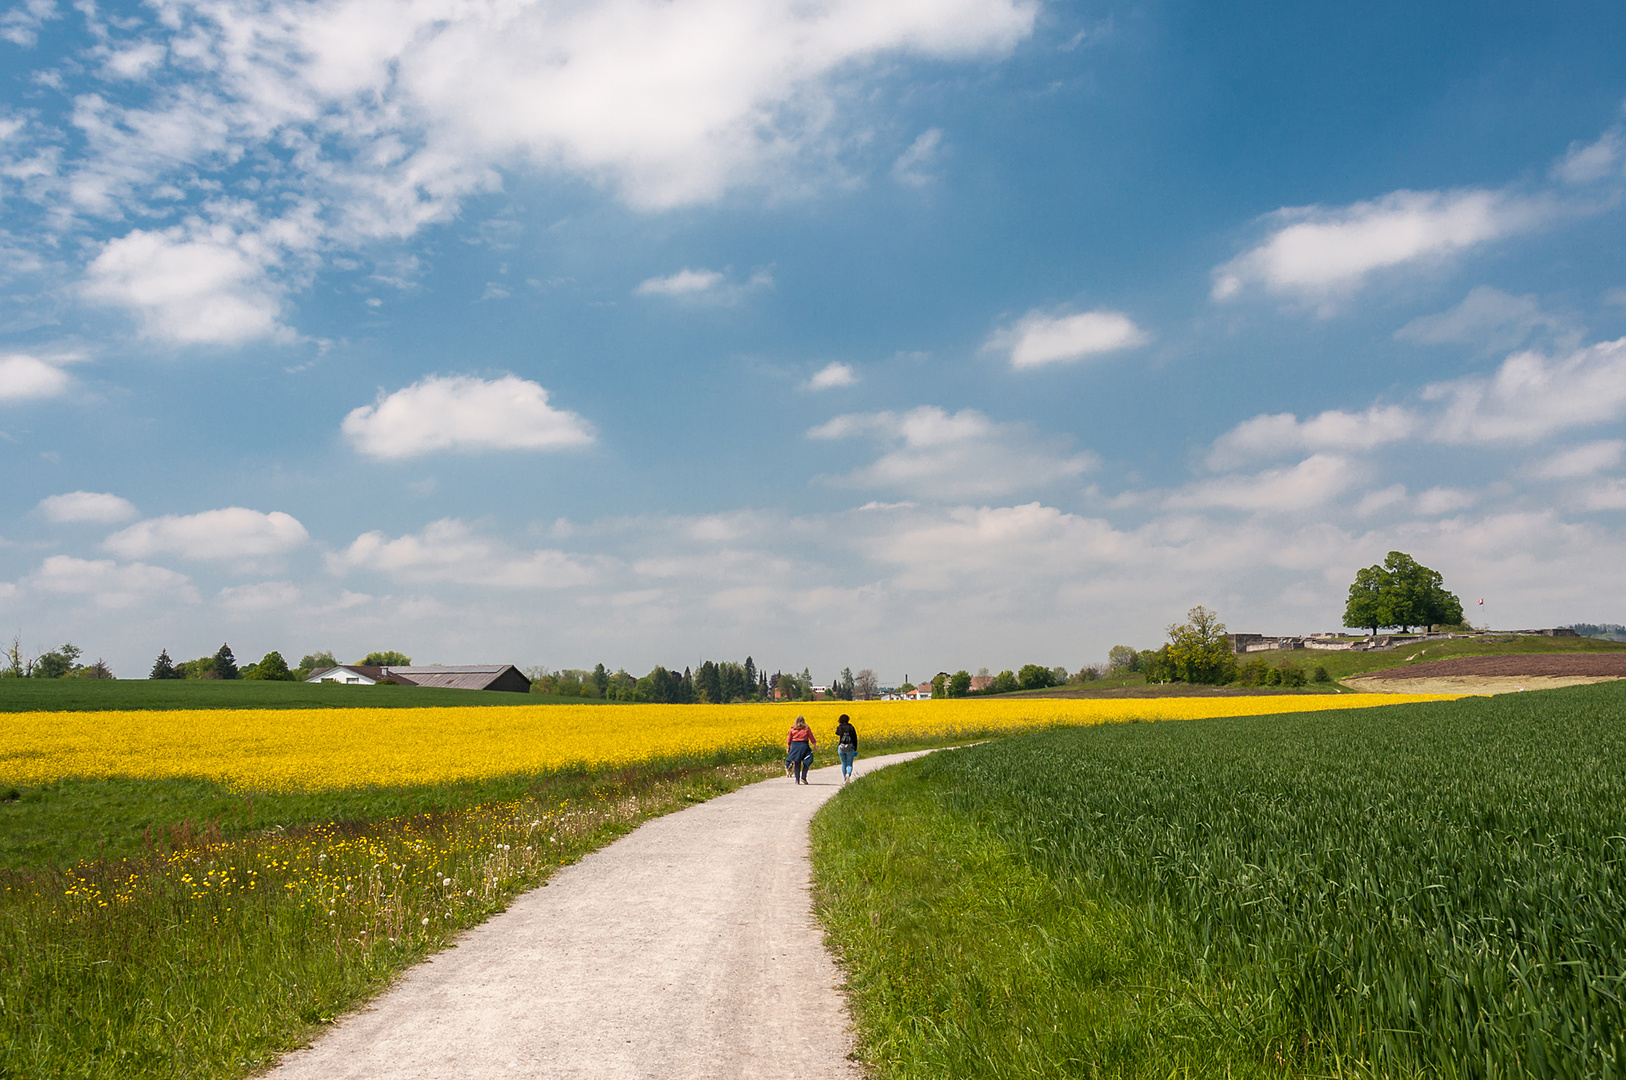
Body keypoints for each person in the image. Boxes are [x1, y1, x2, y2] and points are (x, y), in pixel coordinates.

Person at [786, 716, 816, 785]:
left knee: (797, 762)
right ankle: (803, 777)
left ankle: (797, 780)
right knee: (807, 761)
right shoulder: (807, 729)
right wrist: (815, 746)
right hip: (804, 746)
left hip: (795, 747)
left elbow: (789, 740)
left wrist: (788, 748)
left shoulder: (792, 729)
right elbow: (811, 738)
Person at [835, 714, 858, 783]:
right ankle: (848, 774)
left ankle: (845, 778)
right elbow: (855, 738)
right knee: (849, 764)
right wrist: (855, 748)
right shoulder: (851, 727)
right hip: (850, 747)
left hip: (841, 747)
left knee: (843, 763)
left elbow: (837, 733)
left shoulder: (839, 727)